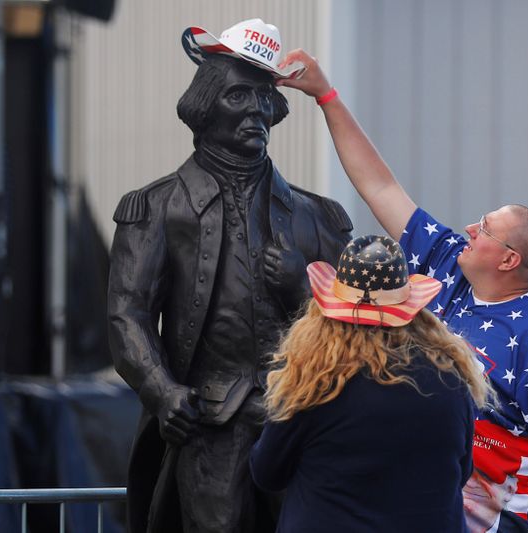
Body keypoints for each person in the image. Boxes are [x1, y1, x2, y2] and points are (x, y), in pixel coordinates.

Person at [275, 49, 528, 533]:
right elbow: (381, 188)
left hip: (500, 522)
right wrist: (326, 96)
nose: (469, 228)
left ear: (510, 259)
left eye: (485, 229)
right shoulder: (452, 267)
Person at [107, 21, 352, 533]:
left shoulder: (319, 217)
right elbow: (127, 315)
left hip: (300, 417)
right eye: (240, 96)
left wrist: (303, 289)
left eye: (265, 98)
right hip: (208, 422)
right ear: (205, 104)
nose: (257, 111)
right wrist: (162, 390)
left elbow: (358, 318)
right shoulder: (155, 207)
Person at [249, 234, 494, 532]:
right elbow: (461, 469)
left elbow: (268, 473)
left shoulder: (313, 381)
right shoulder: (450, 377)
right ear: (410, 309)